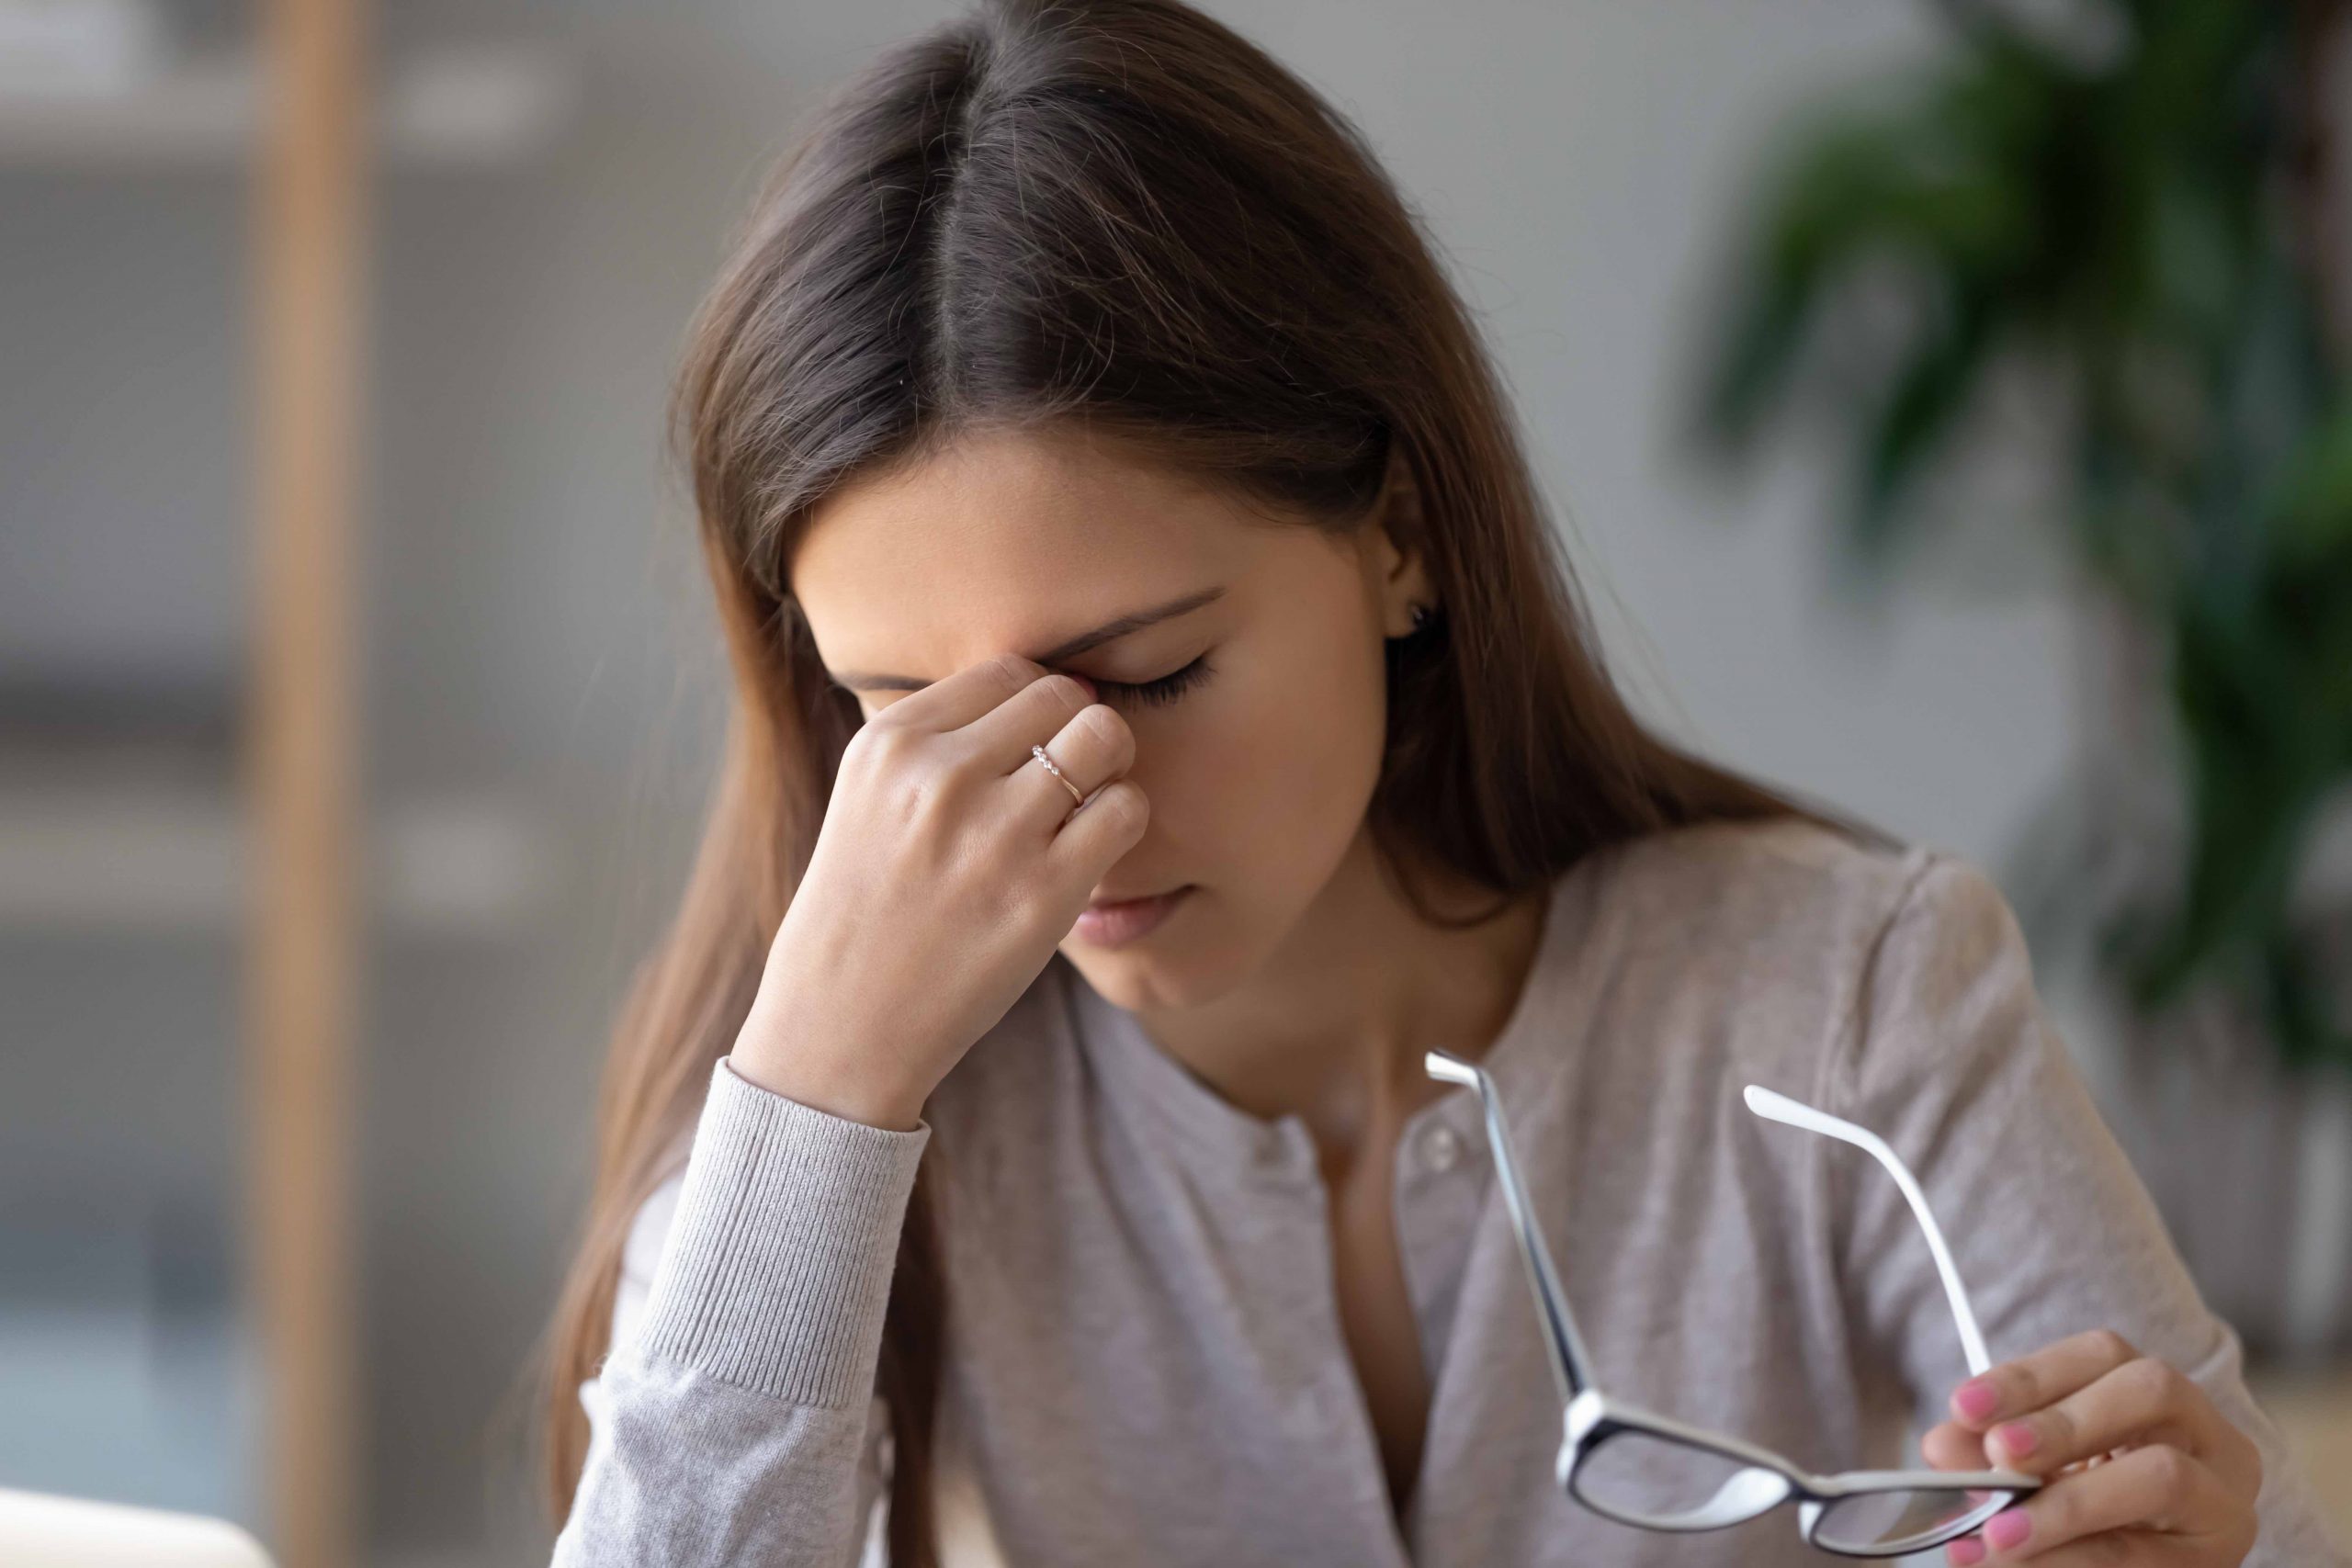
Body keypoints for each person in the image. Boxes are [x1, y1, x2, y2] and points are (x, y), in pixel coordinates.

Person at [535, 2, 2346, 1564]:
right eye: (903, 711)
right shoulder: (876, 1115)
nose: (1058, 805)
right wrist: (816, 1090)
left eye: (1152, 672)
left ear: (1397, 537)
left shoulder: (1848, 996)